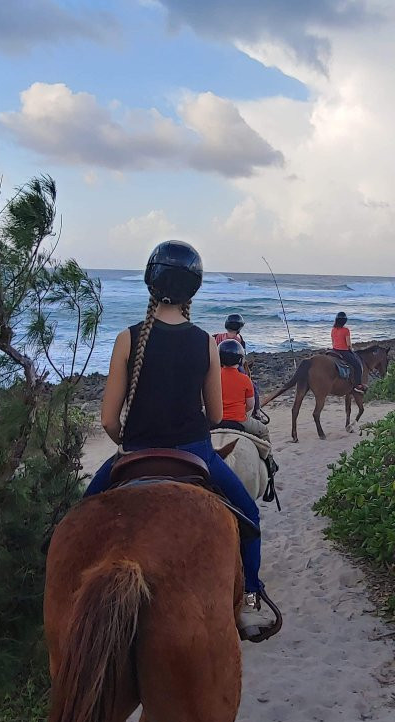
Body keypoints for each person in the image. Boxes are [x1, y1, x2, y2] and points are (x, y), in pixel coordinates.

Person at [84, 240, 275, 638]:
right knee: (250, 518)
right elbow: (218, 416)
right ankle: (251, 595)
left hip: (135, 451)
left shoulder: (127, 338)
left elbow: (107, 419)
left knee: (78, 519)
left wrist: (128, 440)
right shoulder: (206, 341)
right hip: (195, 451)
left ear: (150, 283)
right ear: (194, 290)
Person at [216, 339, 270, 440]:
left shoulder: (214, 378)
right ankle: (269, 456)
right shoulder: (245, 379)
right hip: (239, 420)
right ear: (240, 360)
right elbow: (250, 405)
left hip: (216, 419)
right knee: (264, 431)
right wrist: (240, 411)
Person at [331, 311, 367, 393]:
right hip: (343, 351)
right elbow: (348, 344)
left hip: (334, 350)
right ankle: (358, 385)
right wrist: (351, 349)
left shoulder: (333, 329)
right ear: (344, 321)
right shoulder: (346, 330)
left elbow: (333, 341)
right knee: (357, 365)